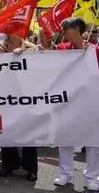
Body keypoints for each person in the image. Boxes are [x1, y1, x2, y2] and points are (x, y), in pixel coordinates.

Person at [42, 17, 99, 190]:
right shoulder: (62, 48)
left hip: (90, 101)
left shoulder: (95, 51)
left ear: (77, 30)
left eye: (66, 28)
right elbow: (49, 57)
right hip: (67, 101)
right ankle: (65, 174)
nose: (64, 32)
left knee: (93, 140)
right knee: (65, 137)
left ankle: (92, 177)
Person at [0, 34, 39, 181]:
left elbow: (35, 71)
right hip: (6, 96)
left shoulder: (32, 48)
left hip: (26, 96)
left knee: (29, 132)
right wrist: (8, 56)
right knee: (7, 129)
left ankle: (31, 168)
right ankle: (8, 165)